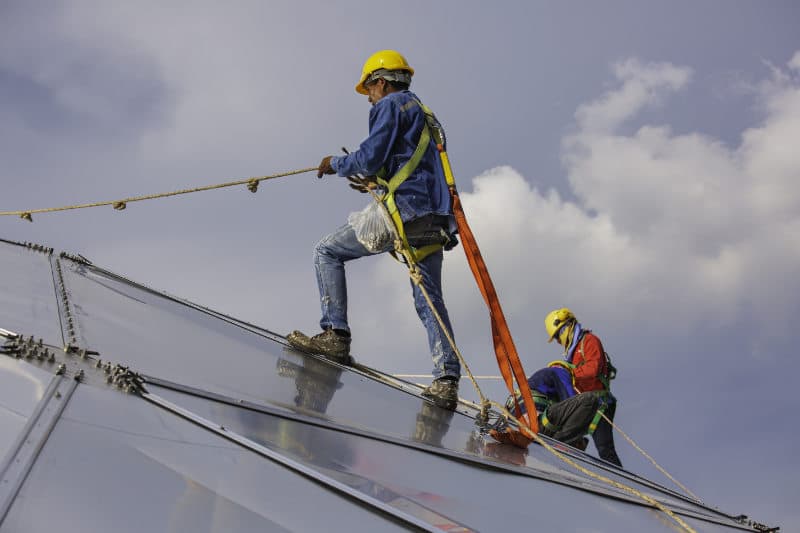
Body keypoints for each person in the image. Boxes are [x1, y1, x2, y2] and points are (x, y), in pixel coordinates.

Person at [287, 50, 461, 410]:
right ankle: (446, 381)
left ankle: (335, 335)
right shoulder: (425, 113)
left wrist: (335, 164)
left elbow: (368, 156)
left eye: (369, 88)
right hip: (434, 218)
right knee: (428, 298)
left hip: (403, 211)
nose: (368, 96)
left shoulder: (390, 105)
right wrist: (380, 179)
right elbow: (412, 164)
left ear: (380, 82)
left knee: (327, 251)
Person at [545, 308, 622, 467]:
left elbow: (593, 368)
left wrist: (570, 372)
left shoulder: (589, 341)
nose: (559, 342)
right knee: (568, 436)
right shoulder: (572, 353)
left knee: (604, 448)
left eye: (558, 336)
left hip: (600, 403)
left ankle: (623, 484)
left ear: (566, 327)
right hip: (586, 405)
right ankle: (571, 462)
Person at [493, 364, 603, 452]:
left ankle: (560, 444)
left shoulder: (532, 385)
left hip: (516, 428)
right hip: (536, 426)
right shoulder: (560, 371)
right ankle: (561, 446)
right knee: (590, 399)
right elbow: (570, 399)